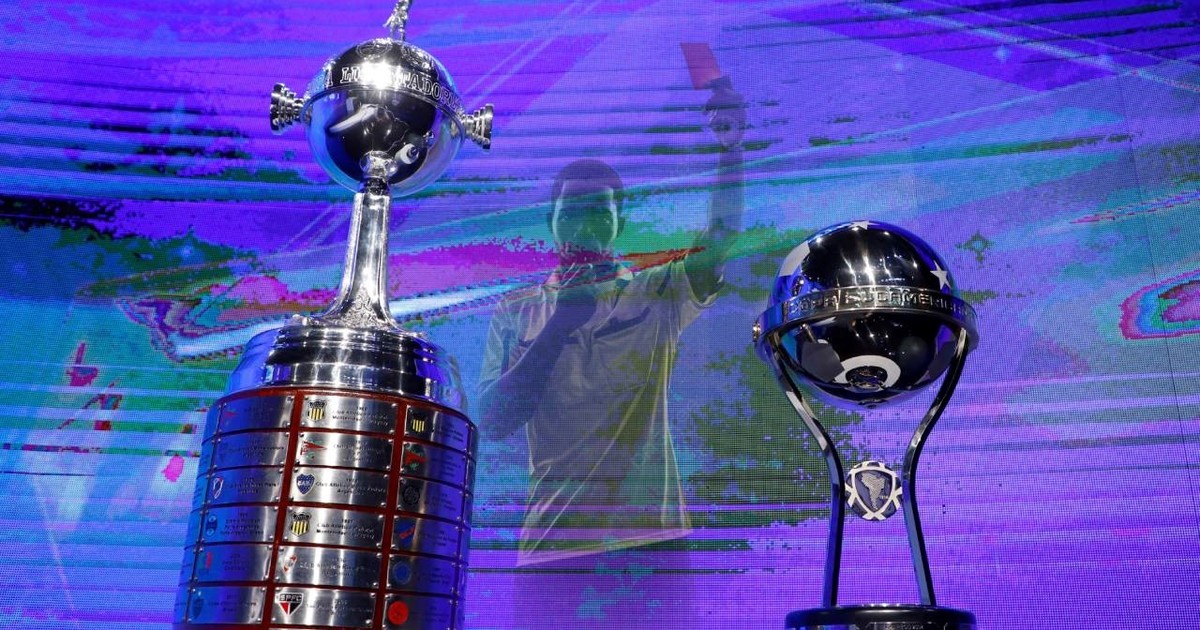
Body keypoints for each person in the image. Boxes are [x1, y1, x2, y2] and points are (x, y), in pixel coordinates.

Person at [476, 82, 745, 626]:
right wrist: (559, 325)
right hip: (552, 545)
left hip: (651, 544)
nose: (584, 226)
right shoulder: (517, 310)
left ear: (620, 223)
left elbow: (719, 236)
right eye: (570, 213)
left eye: (598, 212)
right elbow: (495, 420)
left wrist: (730, 150)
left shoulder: (656, 291)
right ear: (550, 221)